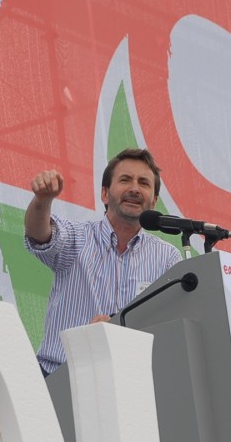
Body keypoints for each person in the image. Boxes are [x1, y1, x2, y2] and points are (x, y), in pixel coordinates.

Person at [25, 148, 181, 376]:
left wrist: (120, 332)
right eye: (125, 180)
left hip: (130, 381)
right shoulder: (77, 237)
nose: (135, 189)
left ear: (154, 201)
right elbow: (39, 233)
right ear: (105, 194)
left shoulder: (167, 258)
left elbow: (167, 325)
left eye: (144, 183)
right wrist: (42, 200)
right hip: (61, 376)